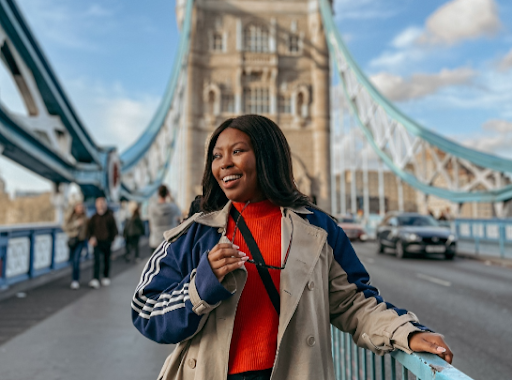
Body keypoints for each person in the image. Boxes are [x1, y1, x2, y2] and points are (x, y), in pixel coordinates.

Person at [131, 115, 453, 380]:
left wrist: (406, 333)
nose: (224, 164)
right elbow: (144, 310)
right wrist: (201, 286)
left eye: (237, 151)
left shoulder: (318, 228)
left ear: (267, 156)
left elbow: (354, 301)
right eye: (217, 155)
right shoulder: (195, 233)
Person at [87, 197, 118, 288]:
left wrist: (111, 240)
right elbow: (89, 230)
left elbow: (114, 229)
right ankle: (95, 278)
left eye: (102, 203)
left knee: (106, 260)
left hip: (107, 241)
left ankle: (105, 276)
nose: (101, 205)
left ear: (105, 204)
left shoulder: (110, 216)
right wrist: (90, 238)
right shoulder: (94, 217)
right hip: (97, 242)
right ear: (96, 205)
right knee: (96, 260)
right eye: (99, 203)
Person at [62, 201, 88, 290]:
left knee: (76, 260)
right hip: (72, 241)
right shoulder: (71, 217)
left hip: (81, 241)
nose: (80, 208)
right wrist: (76, 223)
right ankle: (74, 278)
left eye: (81, 207)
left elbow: (88, 230)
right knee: (72, 261)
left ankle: (75, 280)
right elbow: (65, 227)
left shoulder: (85, 218)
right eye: (78, 207)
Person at [148, 185, 181, 249]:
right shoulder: (172, 207)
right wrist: (171, 198)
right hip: (168, 241)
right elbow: (179, 213)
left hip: (155, 241)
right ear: (167, 194)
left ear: (158, 194)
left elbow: (150, 223)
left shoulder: (152, 208)